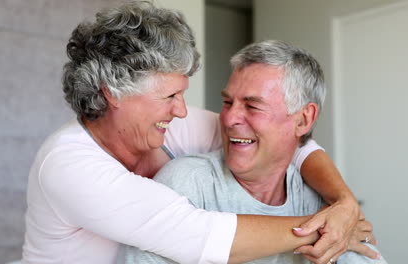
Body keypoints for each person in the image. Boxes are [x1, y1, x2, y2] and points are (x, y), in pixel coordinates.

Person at [23, 1, 359, 263]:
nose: (182, 110)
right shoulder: (68, 167)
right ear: (113, 93)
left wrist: (343, 203)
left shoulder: (170, 124)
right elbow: (202, 236)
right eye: (169, 96)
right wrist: (325, 227)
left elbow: (287, 143)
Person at [122, 40, 387, 264]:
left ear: (304, 120)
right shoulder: (187, 184)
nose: (228, 119)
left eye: (253, 106)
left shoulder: (325, 202)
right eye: (227, 102)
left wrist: (343, 209)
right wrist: (318, 232)